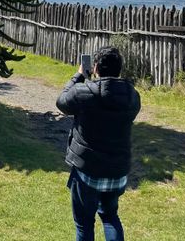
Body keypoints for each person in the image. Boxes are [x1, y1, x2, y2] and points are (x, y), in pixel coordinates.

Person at [56, 46, 141, 241]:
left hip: (87, 170)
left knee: (84, 224)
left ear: (95, 68)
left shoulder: (83, 93)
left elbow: (62, 102)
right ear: (119, 70)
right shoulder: (132, 96)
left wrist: (78, 76)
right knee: (110, 217)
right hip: (117, 170)